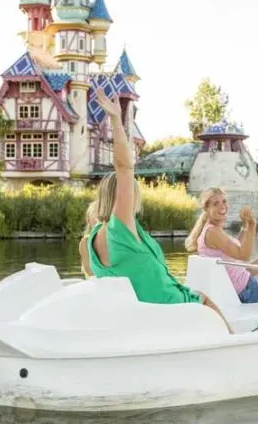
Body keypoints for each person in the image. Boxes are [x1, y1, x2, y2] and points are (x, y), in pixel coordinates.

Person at [87, 88, 233, 333]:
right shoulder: (119, 228)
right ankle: (233, 343)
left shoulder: (92, 238)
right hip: (165, 310)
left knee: (196, 294)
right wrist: (115, 120)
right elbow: (124, 167)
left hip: (141, 314)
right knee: (204, 300)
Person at [185, 188, 258, 303]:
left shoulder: (213, 230)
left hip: (241, 281)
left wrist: (245, 226)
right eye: (215, 204)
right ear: (206, 209)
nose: (222, 206)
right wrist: (252, 225)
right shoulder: (213, 232)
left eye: (224, 201)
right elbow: (244, 255)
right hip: (245, 290)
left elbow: (235, 249)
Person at [78, 201, 99, 279]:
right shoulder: (85, 242)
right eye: (96, 215)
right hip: (93, 282)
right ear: (88, 220)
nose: (99, 219)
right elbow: (89, 271)